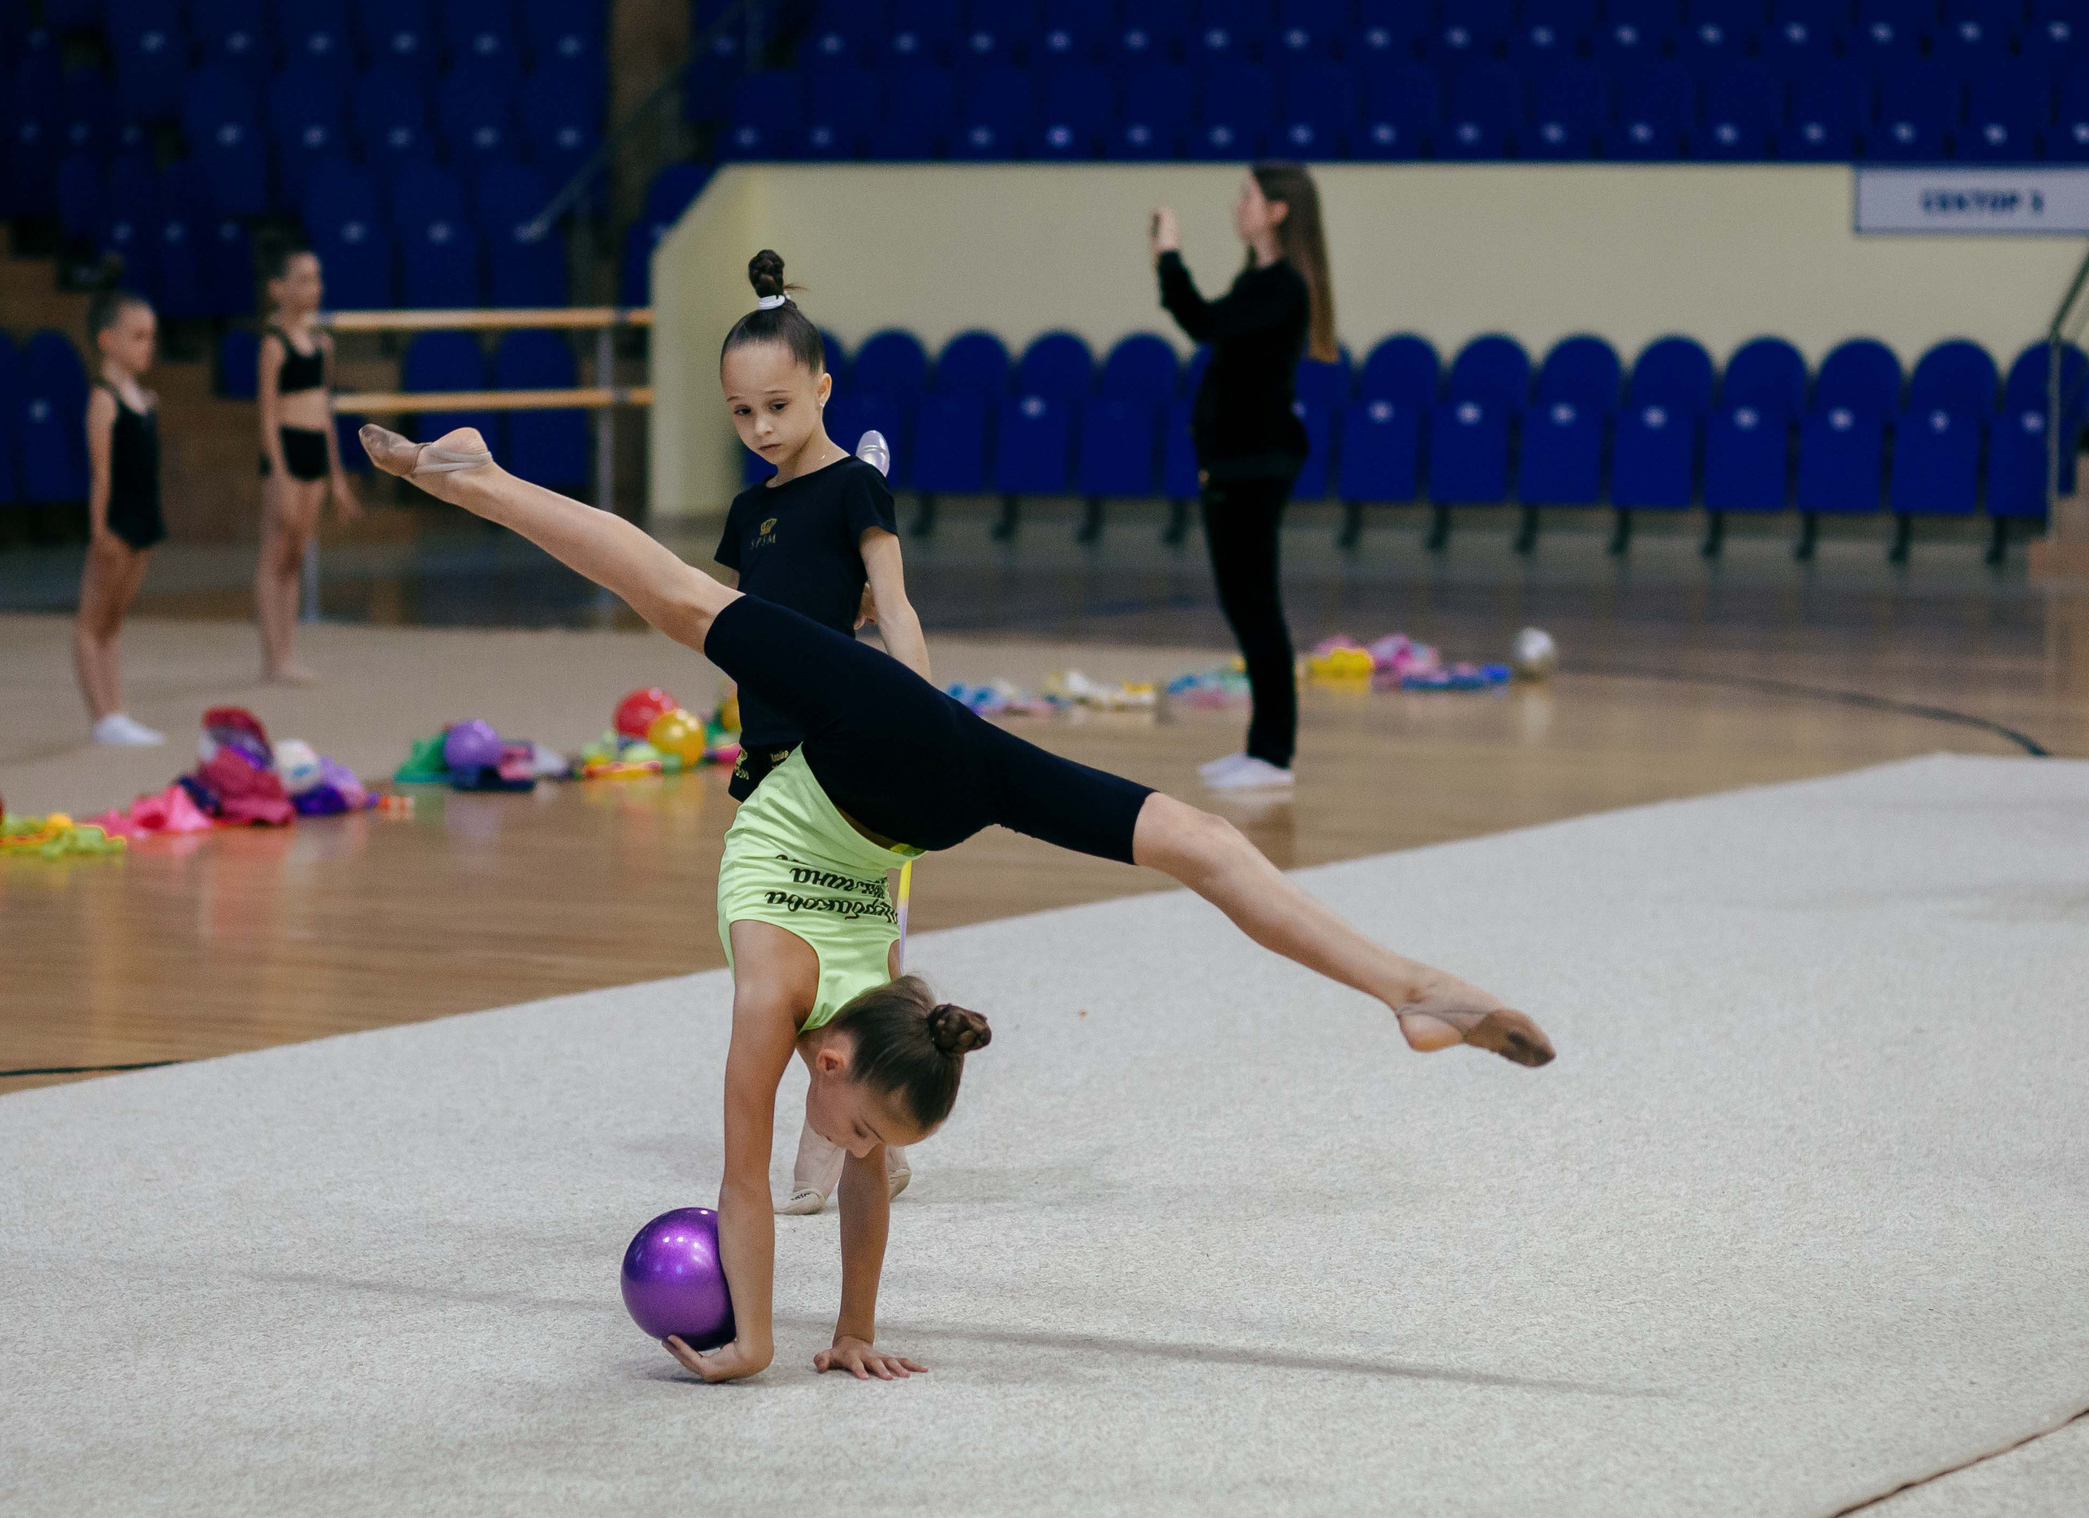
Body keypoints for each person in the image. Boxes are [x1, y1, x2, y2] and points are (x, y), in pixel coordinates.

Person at [355, 417, 1555, 1387]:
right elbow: (792, 1179)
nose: (859, 1152)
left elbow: (746, 1182)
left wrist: (794, 1340)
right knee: (684, 603)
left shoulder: (793, 1000)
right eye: (871, 1134)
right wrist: (800, 1336)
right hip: (897, 764)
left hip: (903, 772)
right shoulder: (844, 1017)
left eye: (865, 1137)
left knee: (1194, 840)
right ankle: (1408, 990)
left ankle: (1415, 990)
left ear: (829, 1062)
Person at [708, 249, 934, 1219]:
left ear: (822, 389)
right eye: (742, 412)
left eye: (779, 406)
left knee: (858, 950)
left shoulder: (853, 491)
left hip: (843, 751)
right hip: (769, 758)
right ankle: (861, 1122)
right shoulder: (746, 512)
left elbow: (894, 606)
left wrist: (924, 721)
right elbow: (737, 623)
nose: (761, 428)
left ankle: (848, 1126)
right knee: (773, 940)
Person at [1154, 162, 1338, 795]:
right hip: (1236, 463)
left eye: (1248, 197)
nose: (1239, 206)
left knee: (1255, 605)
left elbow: (1202, 322)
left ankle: (1273, 753)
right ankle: (1261, 747)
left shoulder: (1282, 286)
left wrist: (1169, 257)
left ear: (1278, 211)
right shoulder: (1259, 280)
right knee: (1245, 604)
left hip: (1255, 466)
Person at [253, 242, 359, 684]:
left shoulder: (321, 344)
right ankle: (272, 657)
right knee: (275, 552)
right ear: (278, 288)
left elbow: (325, 412)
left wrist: (338, 478)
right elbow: (267, 415)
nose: (313, 288)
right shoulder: (274, 345)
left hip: (315, 450)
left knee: (296, 553)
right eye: (303, 279)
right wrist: (278, 472)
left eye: (316, 279)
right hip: (288, 451)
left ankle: (288, 651)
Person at [75, 267, 167, 745]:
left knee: (113, 621)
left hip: (143, 517)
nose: (148, 346)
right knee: (92, 622)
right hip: (115, 522)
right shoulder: (104, 400)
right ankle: (102, 717)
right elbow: (101, 475)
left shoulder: (141, 397)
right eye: (138, 336)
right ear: (107, 341)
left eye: (151, 336)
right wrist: (100, 532)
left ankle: (117, 711)